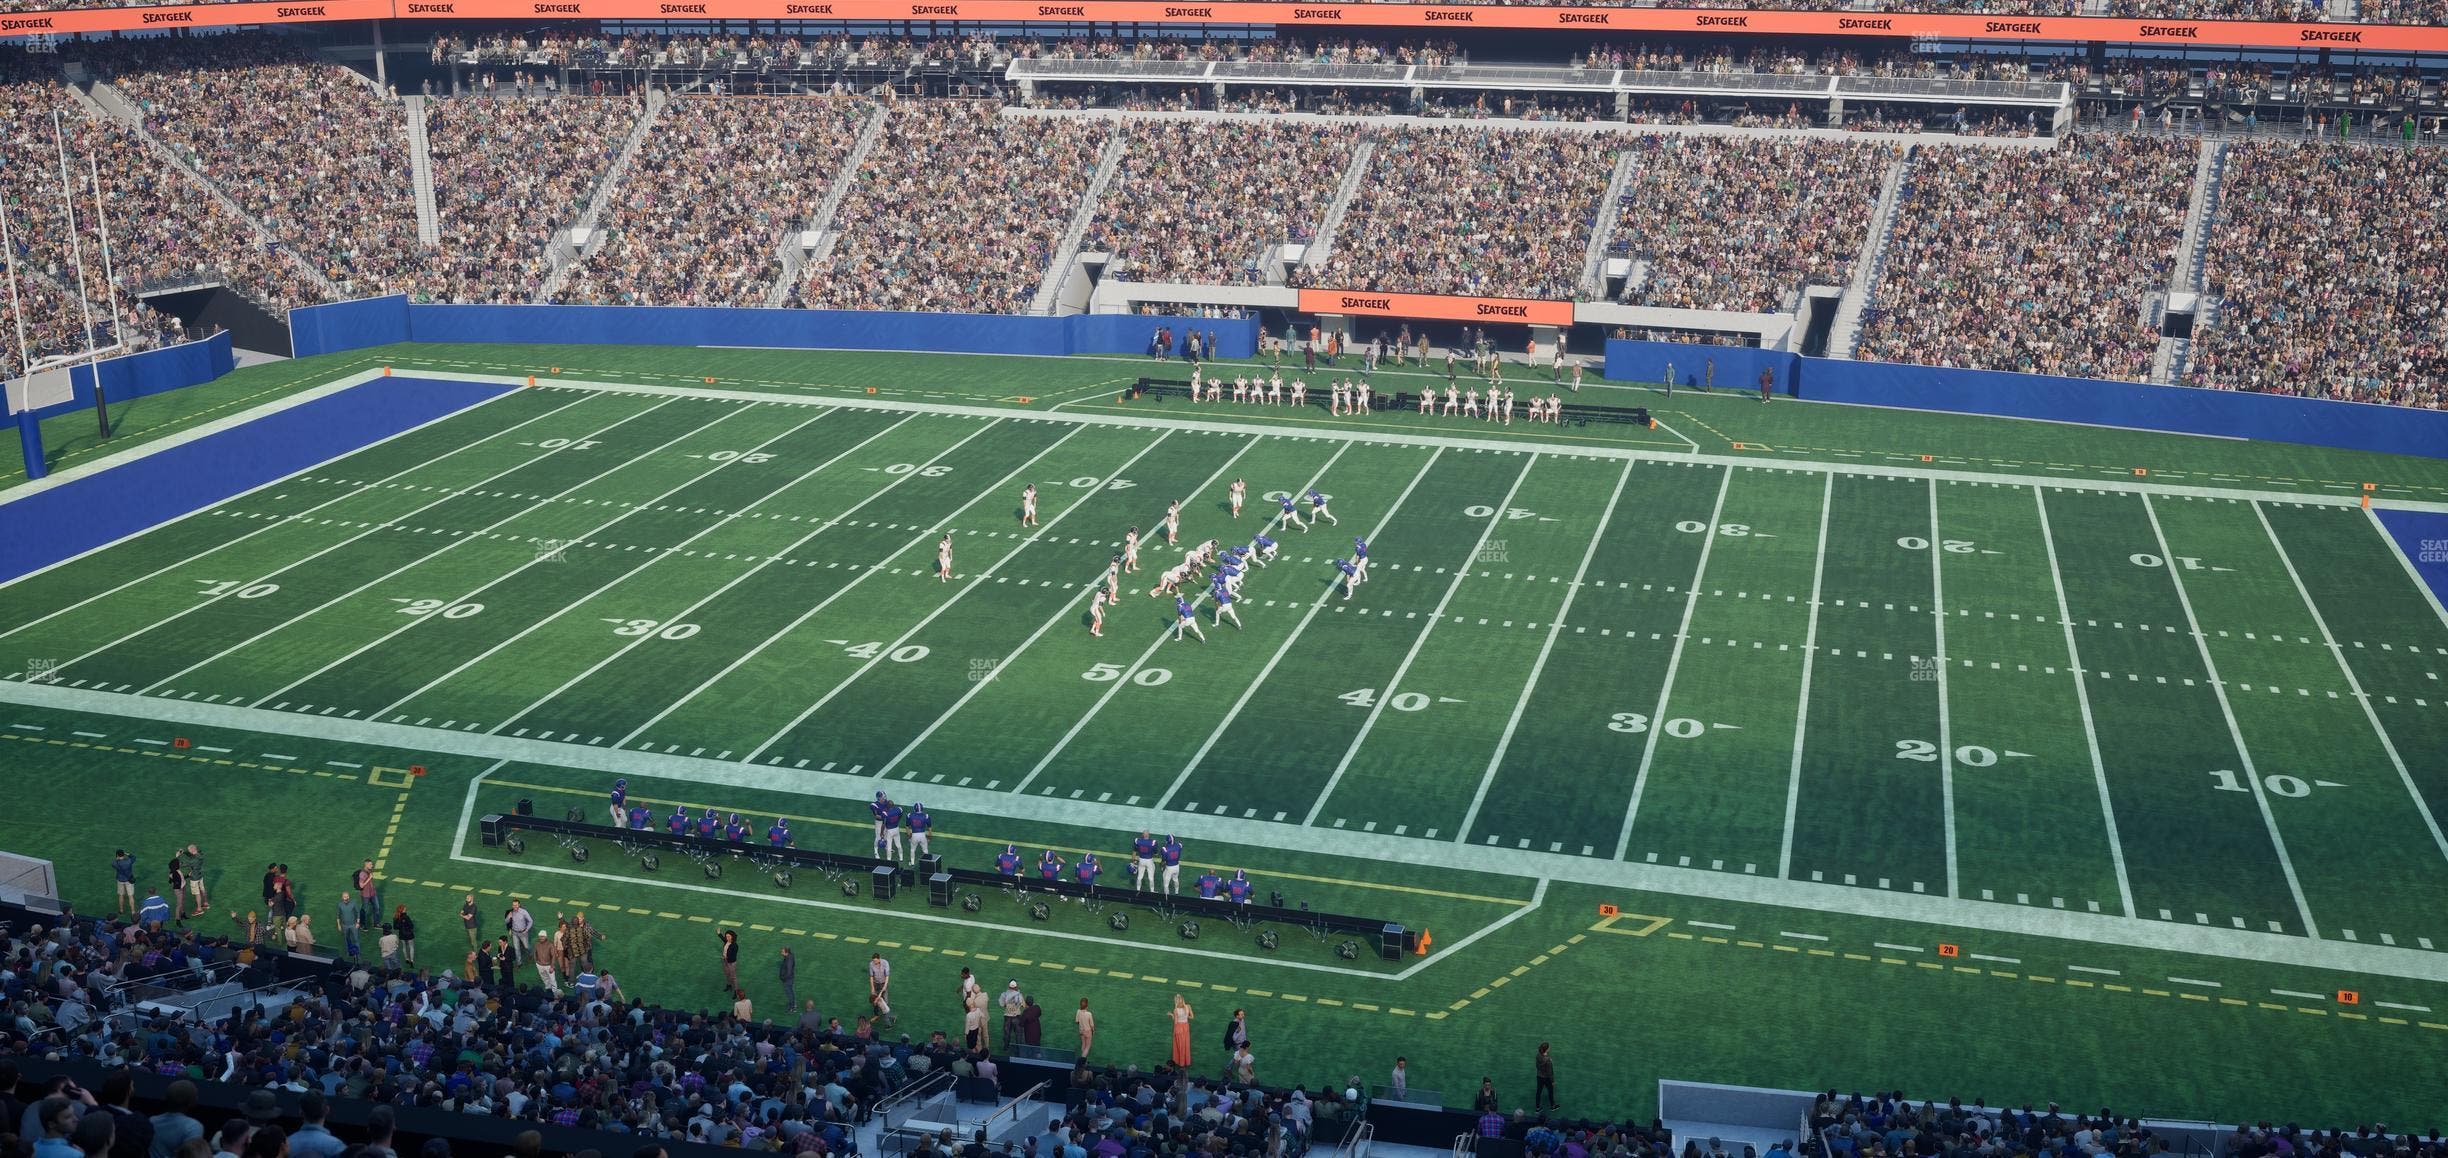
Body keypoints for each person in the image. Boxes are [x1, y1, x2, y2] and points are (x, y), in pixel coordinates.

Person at [1220, 1009, 1249, 1078]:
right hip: (1238, 1044)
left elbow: (1243, 1031)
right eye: (1241, 1014)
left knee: (1239, 1056)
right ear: (1237, 1016)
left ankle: (1230, 1068)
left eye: (1243, 1014)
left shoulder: (1242, 1020)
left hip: (1242, 1042)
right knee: (1237, 1056)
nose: (1243, 1016)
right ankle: (1228, 1068)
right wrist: (1238, 1034)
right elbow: (1233, 1037)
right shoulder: (1234, 1024)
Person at [999, 980, 1026, 1049]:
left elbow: (1002, 1005)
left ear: (1009, 986)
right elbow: (1024, 1005)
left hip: (1007, 1017)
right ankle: (1018, 1048)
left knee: (1007, 1033)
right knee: (1018, 1034)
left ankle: (1006, 1046)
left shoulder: (1004, 994)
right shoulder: (1019, 995)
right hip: (1017, 1017)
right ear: (1016, 987)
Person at [1169, 995, 1194, 1069]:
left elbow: (1176, 1022)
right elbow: (1192, 1017)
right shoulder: (1188, 1006)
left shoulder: (1176, 1010)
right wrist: (1185, 1016)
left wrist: (1172, 1015)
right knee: (1185, 1044)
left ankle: (1181, 1062)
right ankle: (1186, 1061)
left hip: (1179, 1027)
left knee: (1179, 1045)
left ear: (1176, 1001)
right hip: (1186, 1027)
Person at [868, 952, 893, 1024]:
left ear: (879, 958)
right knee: (874, 1001)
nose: (874, 962)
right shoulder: (871, 964)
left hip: (883, 983)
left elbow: (887, 976)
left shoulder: (885, 963)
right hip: (876, 984)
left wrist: (885, 986)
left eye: (875, 960)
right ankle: (876, 1015)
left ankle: (889, 1016)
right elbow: (871, 976)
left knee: (885, 1001)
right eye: (873, 960)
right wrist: (872, 987)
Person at [111, 850, 136, 916]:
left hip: (120, 880)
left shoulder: (115, 863)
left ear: (117, 855)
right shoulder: (128, 861)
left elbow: (113, 863)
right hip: (129, 880)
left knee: (121, 895)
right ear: (123, 855)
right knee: (130, 896)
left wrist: (117, 859)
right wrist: (126, 853)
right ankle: (133, 912)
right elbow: (134, 857)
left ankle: (121, 910)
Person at [1534, 1042, 1557, 1111]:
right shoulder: (1548, 1061)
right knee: (1550, 1091)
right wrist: (1552, 1081)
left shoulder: (1538, 1055)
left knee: (1538, 1092)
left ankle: (1537, 1108)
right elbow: (1550, 1073)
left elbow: (1537, 1066)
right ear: (1546, 1049)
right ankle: (1553, 1106)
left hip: (1539, 1076)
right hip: (1546, 1078)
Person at [779, 946, 797, 1012]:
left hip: (787, 980)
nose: (781, 952)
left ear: (786, 953)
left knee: (789, 993)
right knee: (791, 992)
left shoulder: (789, 960)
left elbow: (789, 972)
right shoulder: (790, 956)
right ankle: (793, 1004)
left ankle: (792, 1008)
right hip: (789, 978)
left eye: (782, 952)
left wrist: (783, 978)